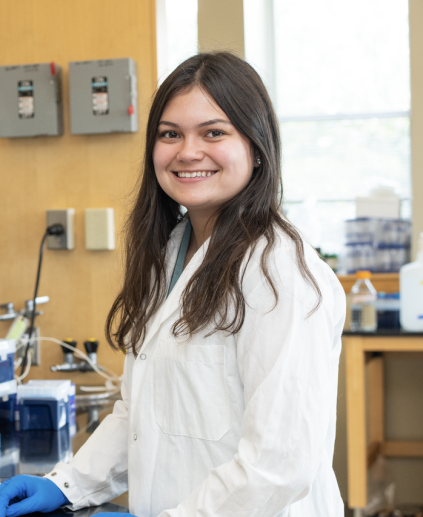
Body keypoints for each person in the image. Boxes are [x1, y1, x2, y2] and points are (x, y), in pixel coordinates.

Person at [0, 52, 346, 517]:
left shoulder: (281, 274)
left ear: (257, 147)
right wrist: (68, 485)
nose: (188, 151)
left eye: (214, 132)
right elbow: (141, 414)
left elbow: (277, 465)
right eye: (170, 134)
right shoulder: (171, 254)